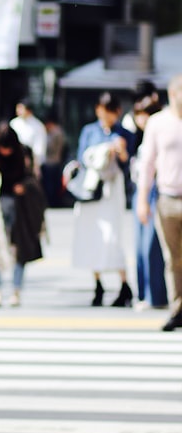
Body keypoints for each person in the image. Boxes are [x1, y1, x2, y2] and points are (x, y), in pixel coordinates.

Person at [0, 122, 46, 307]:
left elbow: (35, 180)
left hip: (21, 209)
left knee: (21, 250)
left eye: (9, 147)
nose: (5, 151)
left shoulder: (24, 153)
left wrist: (25, 187)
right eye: (2, 147)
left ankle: (16, 290)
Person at [71, 92, 134, 307]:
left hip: (112, 191)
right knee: (91, 236)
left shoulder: (124, 134)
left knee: (113, 237)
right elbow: (82, 158)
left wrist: (122, 152)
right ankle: (97, 284)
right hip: (91, 190)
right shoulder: (89, 131)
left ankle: (124, 285)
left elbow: (128, 166)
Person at [137, 73, 182, 331]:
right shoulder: (158, 122)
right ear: (173, 95)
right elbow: (147, 164)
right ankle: (177, 308)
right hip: (167, 198)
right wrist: (143, 199)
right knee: (173, 259)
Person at [131, 94, 168, 312]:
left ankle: (157, 295)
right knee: (139, 246)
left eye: (143, 114)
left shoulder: (160, 132)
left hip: (156, 191)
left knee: (152, 246)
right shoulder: (138, 136)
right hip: (141, 192)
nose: (139, 119)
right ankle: (144, 293)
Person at [9, 100, 48, 174]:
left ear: (29, 110)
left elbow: (39, 147)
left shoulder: (38, 126)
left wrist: (35, 163)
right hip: (14, 161)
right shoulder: (13, 123)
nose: (18, 111)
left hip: (31, 163)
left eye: (21, 108)